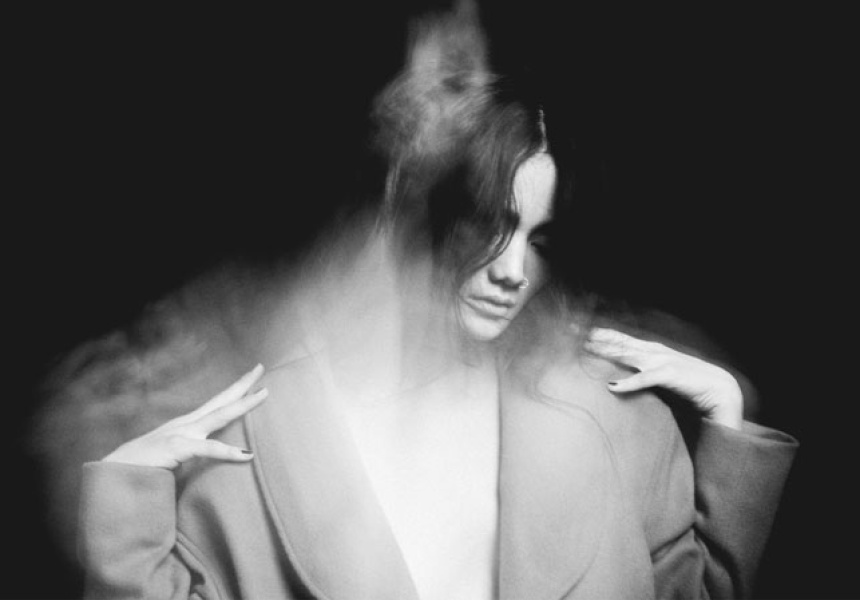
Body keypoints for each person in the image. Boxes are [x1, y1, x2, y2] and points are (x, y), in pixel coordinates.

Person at [37, 2, 797, 599]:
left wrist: (728, 422)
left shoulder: (615, 420)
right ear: (412, 212)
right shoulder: (246, 449)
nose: (513, 271)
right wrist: (129, 500)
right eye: (487, 226)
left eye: (537, 239)